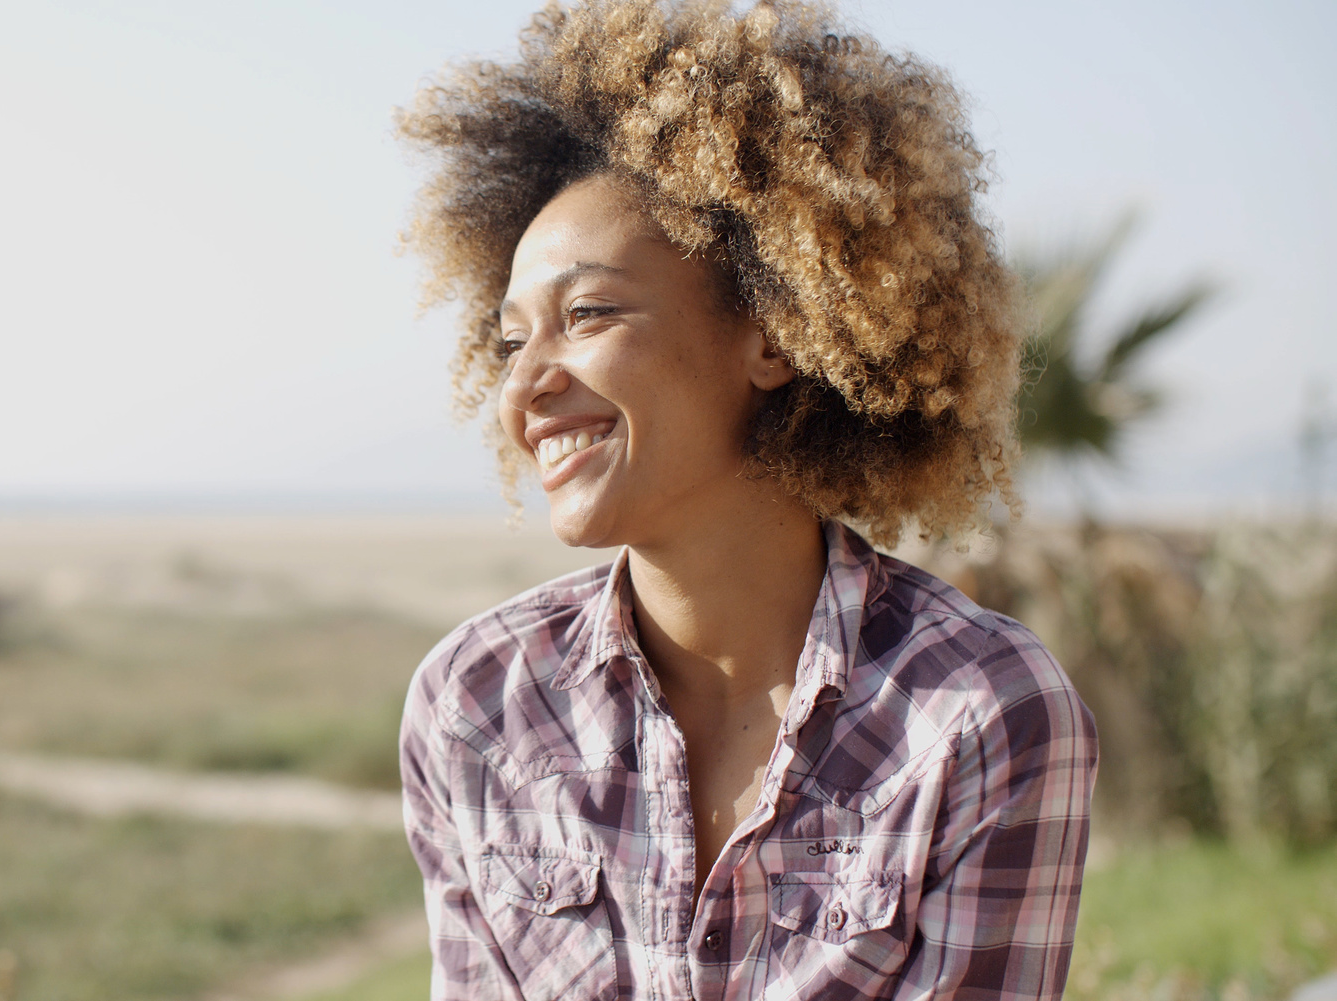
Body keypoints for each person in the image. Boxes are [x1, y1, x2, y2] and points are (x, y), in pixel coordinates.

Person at [392, 2, 1098, 999]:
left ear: (771, 334)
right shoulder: (474, 705)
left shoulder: (976, 713)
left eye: (586, 313)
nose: (524, 385)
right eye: (511, 341)